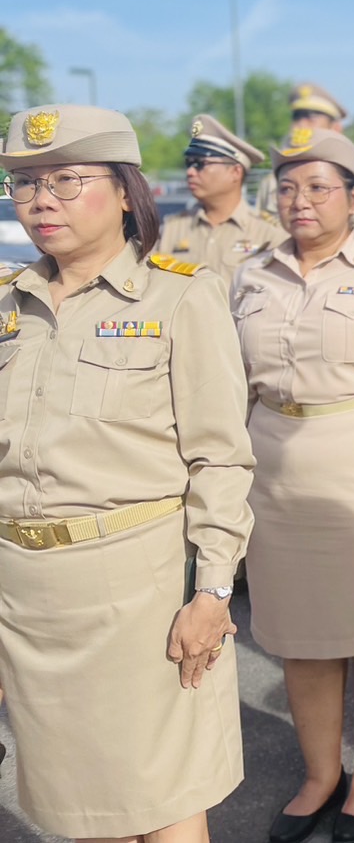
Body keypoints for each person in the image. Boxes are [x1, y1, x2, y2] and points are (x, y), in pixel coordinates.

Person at [0, 104, 254, 842]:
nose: (41, 200)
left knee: (165, 801)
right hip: (29, 596)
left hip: (137, 593)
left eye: (67, 179)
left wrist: (212, 590)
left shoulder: (178, 295)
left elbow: (221, 457)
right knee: (75, 810)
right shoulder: (7, 304)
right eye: (24, 183)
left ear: (123, 190)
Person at [234, 128, 354, 843]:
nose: (299, 202)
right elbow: (234, 389)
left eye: (318, 188)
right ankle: (320, 772)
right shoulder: (250, 273)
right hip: (275, 474)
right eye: (287, 188)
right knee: (300, 636)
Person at [159, 114, 286, 272]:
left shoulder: (269, 235)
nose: (190, 172)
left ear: (235, 172)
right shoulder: (171, 230)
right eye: (189, 164)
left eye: (200, 164)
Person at [256, 83, 354, 228]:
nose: (300, 126)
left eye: (311, 118)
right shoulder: (273, 182)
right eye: (297, 117)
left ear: (336, 128)